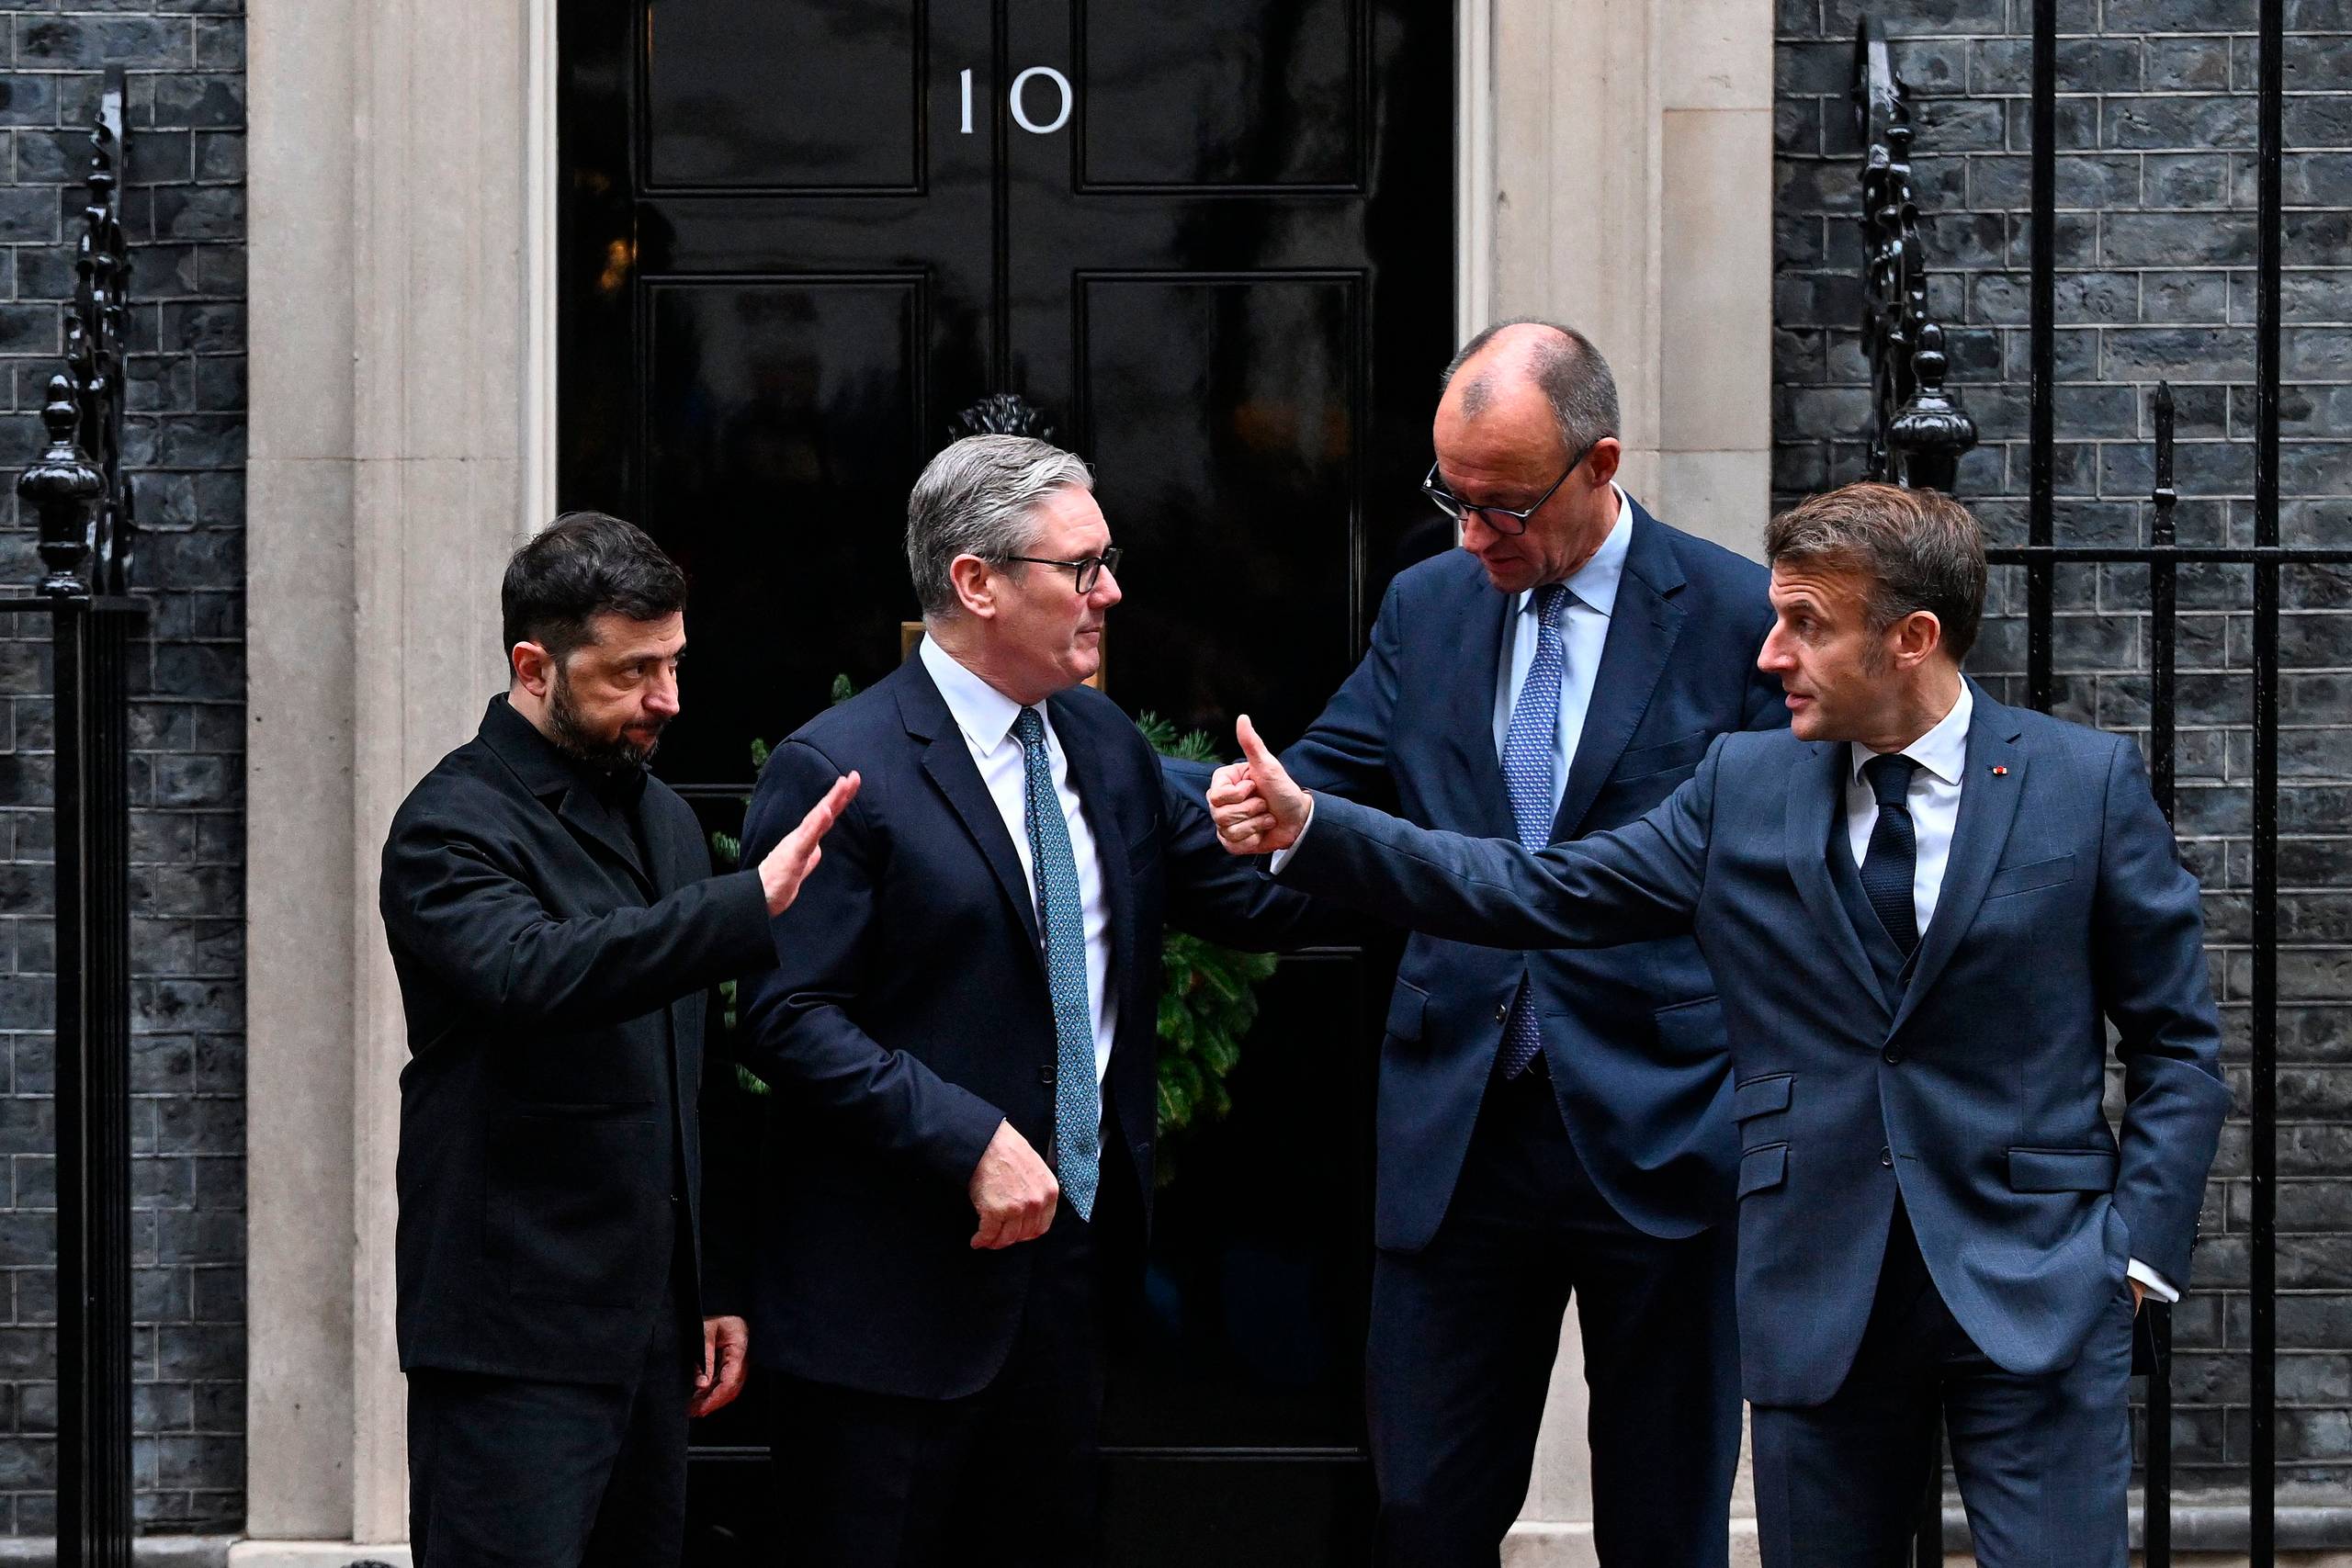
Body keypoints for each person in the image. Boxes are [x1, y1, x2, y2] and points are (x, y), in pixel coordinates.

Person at [1209, 481, 2230, 1568]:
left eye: (1806, 625)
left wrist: (2133, 1256)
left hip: (2041, 1282)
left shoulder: (2081, 784)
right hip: (1817, 1292)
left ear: (1911, 639)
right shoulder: (1742, 785)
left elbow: (2177, 1044)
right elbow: (1540, 890)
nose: (1769, 654)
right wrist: (1315, 827)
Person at [732, 434, 1327, 1568]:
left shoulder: (1101, 741)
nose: (1111, 592)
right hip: (891, 1310)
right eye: (1081, 566)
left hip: (1067, 1288)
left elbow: (1250, 899)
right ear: (976, 582)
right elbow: (787, 1015)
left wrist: (1338, 840)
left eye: (1108, 562)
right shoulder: (840, 766)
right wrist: (968, 1139)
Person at [1240, 319, 1781, 1565]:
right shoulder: (1428, 604)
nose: (1474, 534)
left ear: (1601, 465)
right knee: (1423, 1508)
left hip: (1662, 1121)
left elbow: (1757, 879)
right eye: (1454, 498)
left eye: (1505, 506)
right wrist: (1143, 789)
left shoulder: (1734, 616)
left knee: (1665, 1522)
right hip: (1459, 1126)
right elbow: (1314, 795)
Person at [379, 512, 857, 1568]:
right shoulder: (449, 824)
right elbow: (532, 971)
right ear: (533, 668)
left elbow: (694, 1079)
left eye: (674, 664)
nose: (668, 699)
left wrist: (713, 1285)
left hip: (651, 1335)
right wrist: (743, 905)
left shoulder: (667, 821)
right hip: (511, 1341)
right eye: (632, 672)